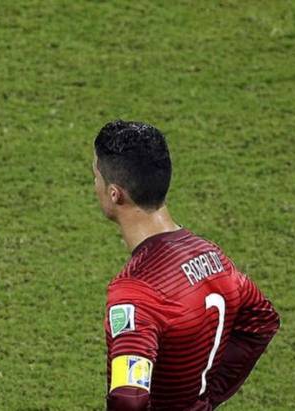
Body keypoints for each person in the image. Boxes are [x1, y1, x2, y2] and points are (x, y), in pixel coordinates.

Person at [91, 120, 280, 410]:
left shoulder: (136, 293)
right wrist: (203, 399)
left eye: (96, 176)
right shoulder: (213, 257)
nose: (95, 186)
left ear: (115, 193)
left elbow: (129, 399)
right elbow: (261, 322)